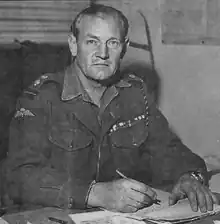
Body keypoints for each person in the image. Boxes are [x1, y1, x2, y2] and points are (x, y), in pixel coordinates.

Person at [2, 4, 218, 213]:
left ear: (124, 47)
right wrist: (95, 194)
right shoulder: (42, 98)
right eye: (92, 42)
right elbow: (19, 176)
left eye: (112, 42)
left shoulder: (133, 94)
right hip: (55, 216)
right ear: (73, 45)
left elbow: (169, 149)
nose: (102, 53)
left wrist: (190, 176)